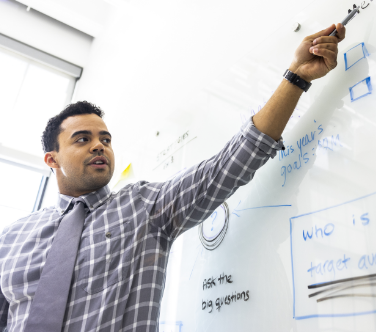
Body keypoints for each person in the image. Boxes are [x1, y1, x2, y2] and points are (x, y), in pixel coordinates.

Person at [0, 24, 345, 332]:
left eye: (105, 139)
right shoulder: (12, 239)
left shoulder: (143, 208)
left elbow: (231, 163)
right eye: (82, 139)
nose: (98, 146)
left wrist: (296, 76)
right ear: (52, 159)